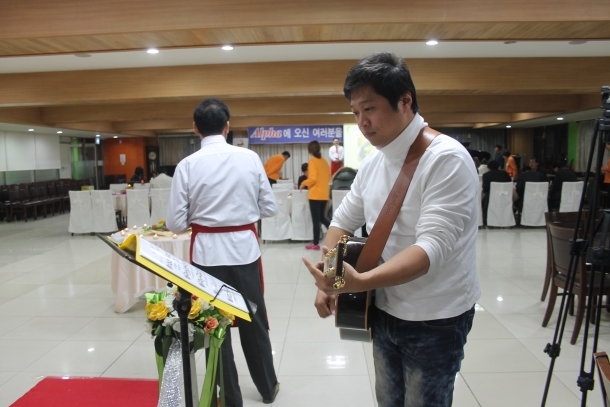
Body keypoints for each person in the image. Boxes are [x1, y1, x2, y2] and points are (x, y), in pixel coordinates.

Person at [302, 52, 480, 407]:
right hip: (383, 308)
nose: (362, 122)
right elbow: (342, 222)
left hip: (435, 316)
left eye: (369, 108)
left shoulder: (446, 159)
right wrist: (332, 278)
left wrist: (360, 282)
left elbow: (431, 248)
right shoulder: (373, 162)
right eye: (355, 112)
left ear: (405, 101)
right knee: (388, 399)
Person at [166, 98, 280, 406]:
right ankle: (267, 387)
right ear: (228, 126)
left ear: (195, 128)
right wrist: (240, 214)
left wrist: (204, 217)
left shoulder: (187, 165)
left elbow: (175, 222)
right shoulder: (250, 158)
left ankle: (229, 398)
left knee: (214, 325)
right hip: (245, 251)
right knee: (253, 320)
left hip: (207, 255)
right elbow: (270, 208)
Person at [299, 140, 331, 250]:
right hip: (324, 194)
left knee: (316, 220)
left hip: (315, 195)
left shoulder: (312, 161)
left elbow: (313, 179)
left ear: (310, 150)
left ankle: (315, 243)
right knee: (322, 218)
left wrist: (303, 183)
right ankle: (336, 232)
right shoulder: (324, 162)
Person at [481, 160, 511, 224]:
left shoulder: (486, 175)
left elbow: (485, 189)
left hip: (490, 199)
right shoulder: (505, 174)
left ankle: (486, 218)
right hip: (504, 197)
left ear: (488, 168)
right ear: (498, 167)